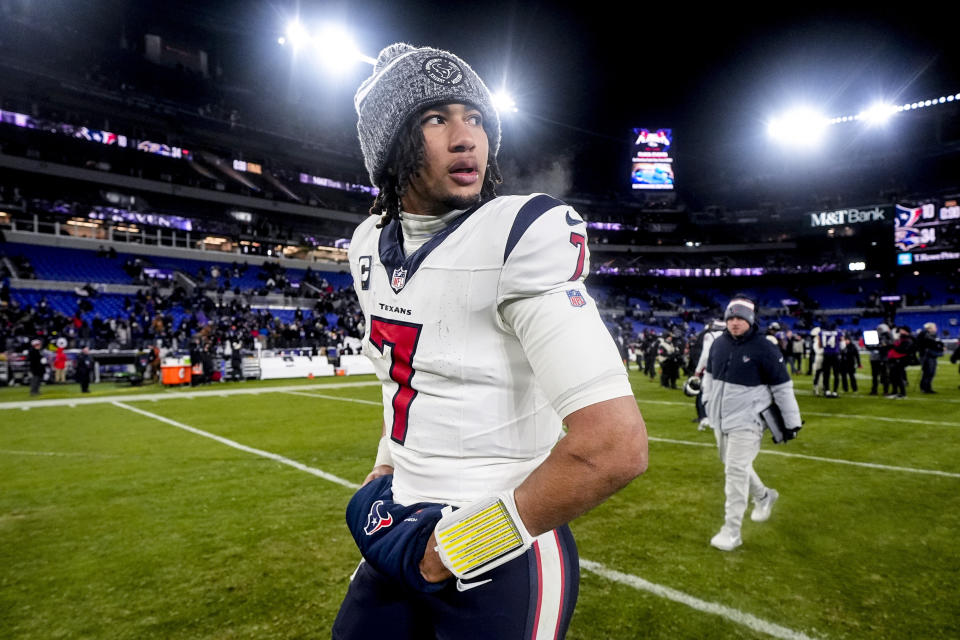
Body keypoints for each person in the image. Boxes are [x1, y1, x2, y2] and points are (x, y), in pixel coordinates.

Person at [334, 43, 648, 640]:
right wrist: (384, 468)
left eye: (474, 117)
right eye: (435, 118)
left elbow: (615, 446)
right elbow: (402, 378)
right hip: (400, 521)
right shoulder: (367, 244)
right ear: (390, 145)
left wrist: (454, 549)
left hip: (501, 546)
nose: (465, 137)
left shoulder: (518, 236)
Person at [701, 295, 802, 551]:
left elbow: (782, 388)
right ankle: (764, 496)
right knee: (735, 465)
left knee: (734, 471)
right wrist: (707, 403)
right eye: (731, 318)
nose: (735, 323)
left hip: (749, 420)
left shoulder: (764, 347)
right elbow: (710, 377)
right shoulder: (718, 344)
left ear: (750, 320)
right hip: (721, 418)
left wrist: (792, 422)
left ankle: (731, 531)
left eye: (740, 318)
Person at [886, 326, 914, 398]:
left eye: (901, 330)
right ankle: (894, 392)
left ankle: (902, 393)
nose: (900, 332)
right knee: (893, 376)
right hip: (895, 359)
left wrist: (892, 346)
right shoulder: (901, 338)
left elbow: (902, 349)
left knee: (898, 377)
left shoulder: (907, 339)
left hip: (901, 359)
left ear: (905, 331)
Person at [916, 322, 944, 393]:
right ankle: (925, 388)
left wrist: (939, 346)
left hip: (932, 355)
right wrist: (939, 346)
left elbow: (938, 343)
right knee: (928, 372)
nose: (936, 329)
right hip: (926, 355)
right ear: (930, 328)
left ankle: (927, 387)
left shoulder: (932, 335)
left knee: (931, 372)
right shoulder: (924, 334)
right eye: (934, 327)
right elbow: (932, 343)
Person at [867, 323, 893, 395]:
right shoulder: (885, 336)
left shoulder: (885, 336)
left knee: (879, 375)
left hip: (878, 358)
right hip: (879, 358)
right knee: (881, 375)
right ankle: (883, 391)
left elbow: (890, 345)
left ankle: (878, 390)